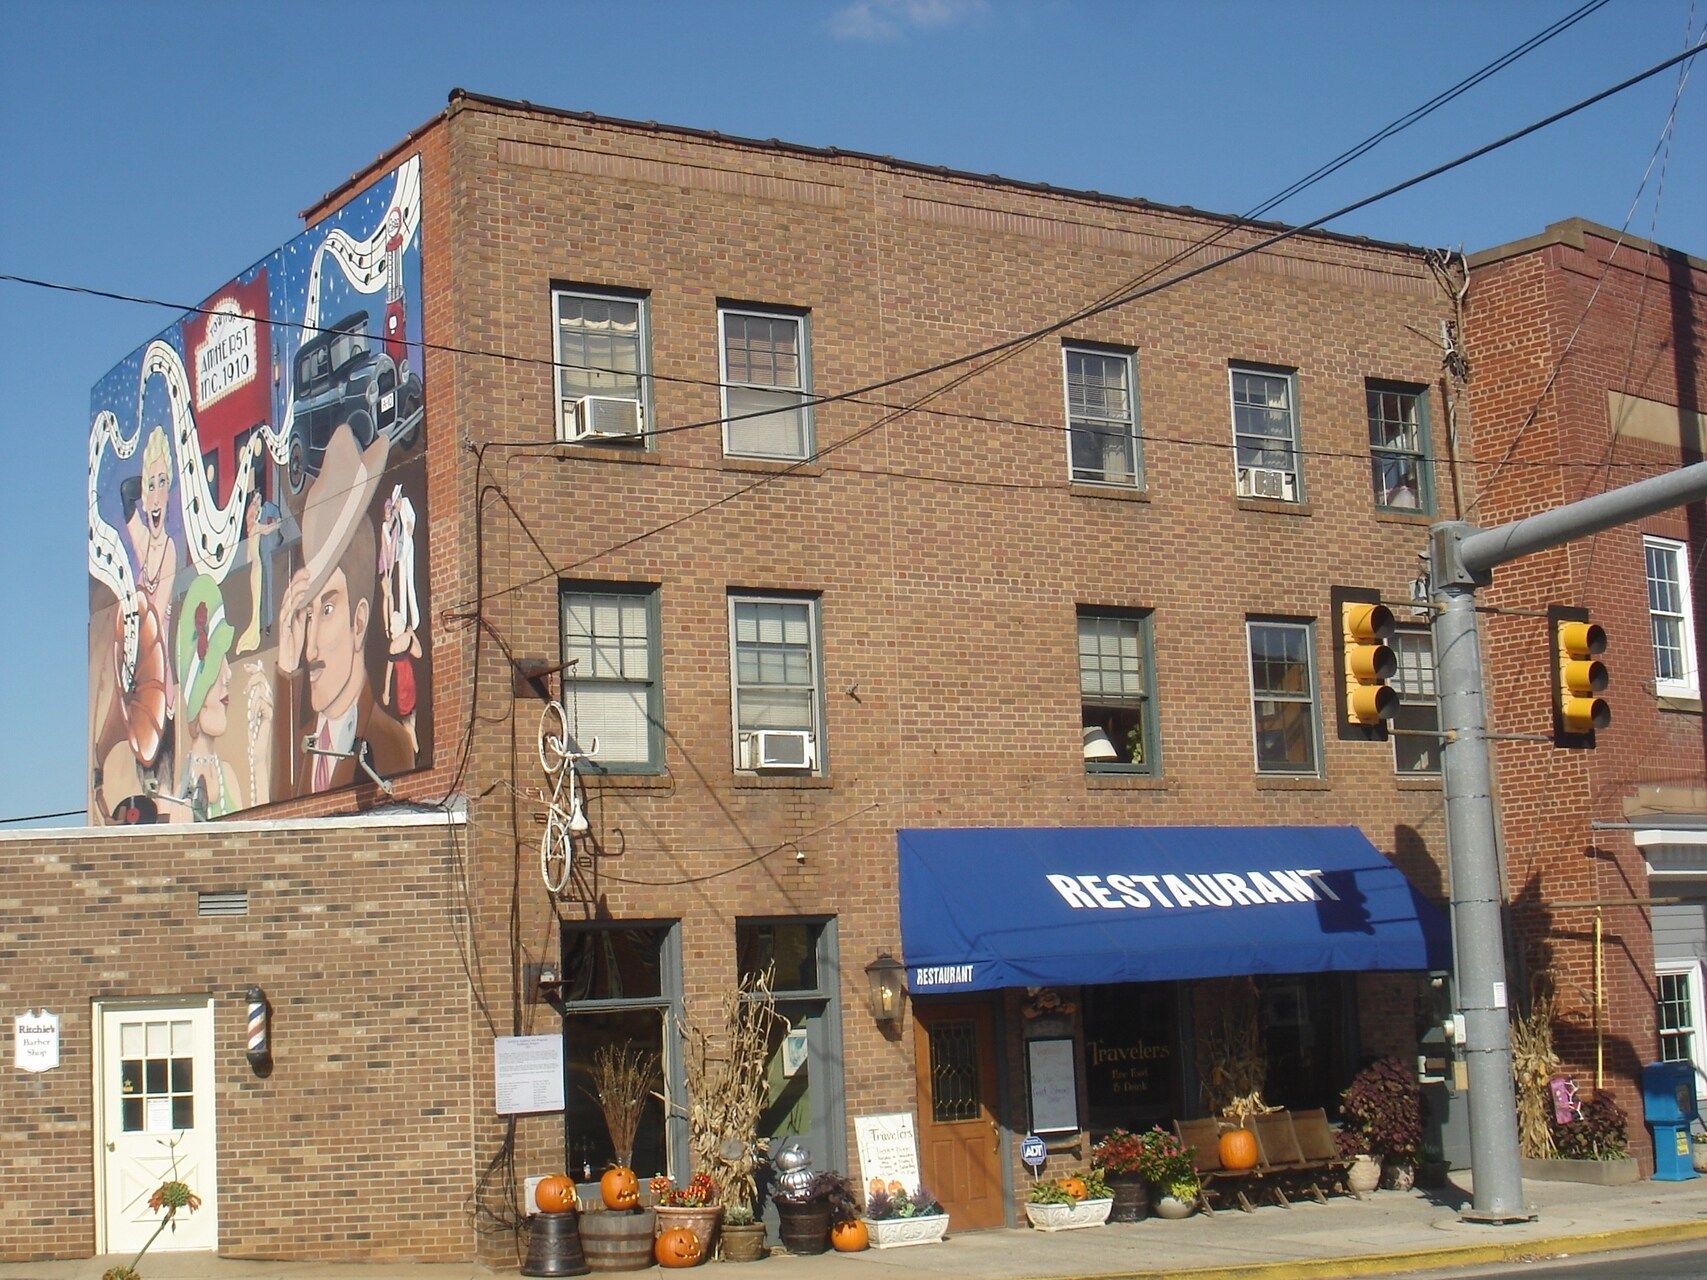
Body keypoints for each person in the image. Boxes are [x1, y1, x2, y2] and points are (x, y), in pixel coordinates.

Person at [275, 423, 413, 795]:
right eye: (307, 613)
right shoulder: (301, 741)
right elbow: (274, 826)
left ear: (359, 621)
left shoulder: (389, 743)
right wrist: (286, 670)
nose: (311, 648)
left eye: (327, 609)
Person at [234, 487, 283, 656]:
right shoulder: (255, 526)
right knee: (257, 601)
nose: (258, 504)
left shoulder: (252, 526)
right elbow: (268, 529)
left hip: (255, 565)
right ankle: (256, 632)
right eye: (255, 502)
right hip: (257, 566)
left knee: (257, 601)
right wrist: (277, 525)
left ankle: (259, 628)